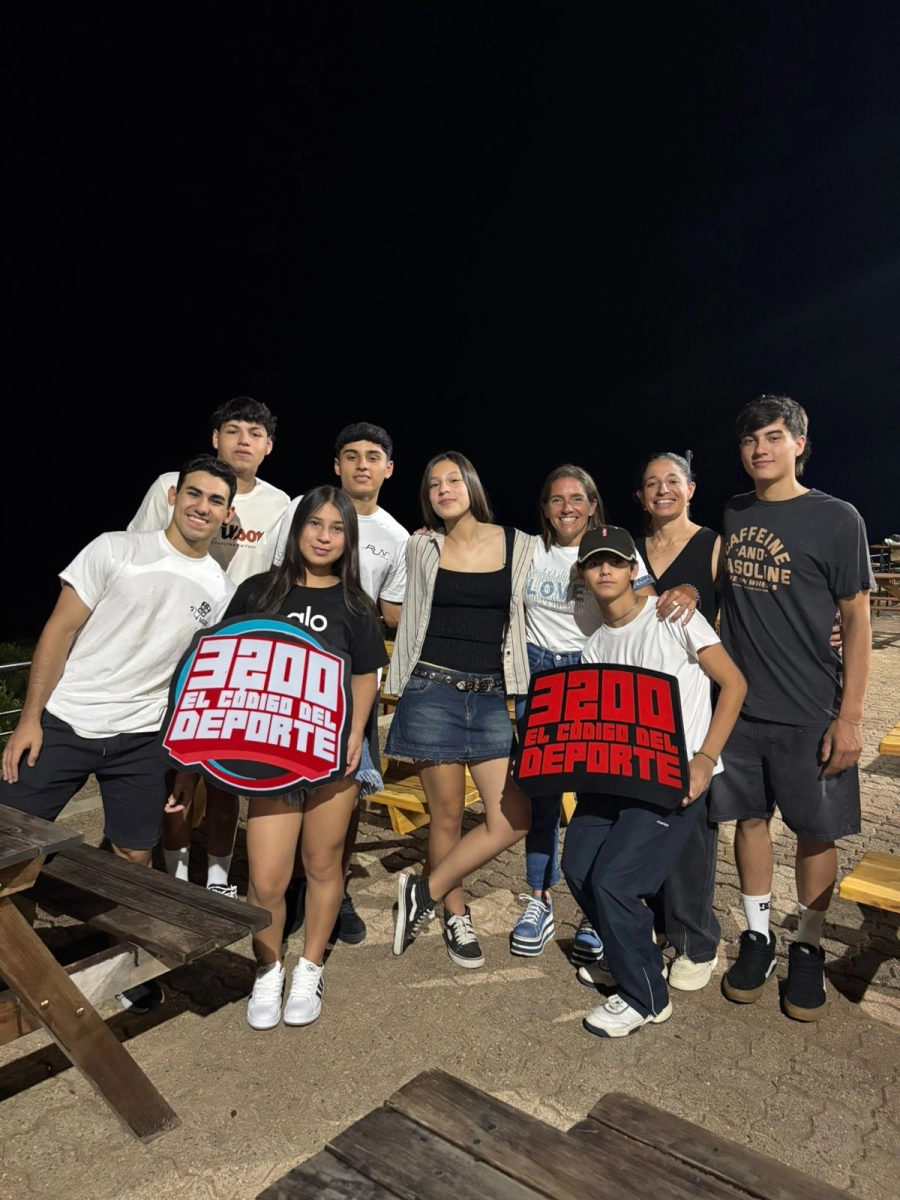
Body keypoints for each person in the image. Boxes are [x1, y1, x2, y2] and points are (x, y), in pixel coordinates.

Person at [2, 455, 237, 1011]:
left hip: (142, 737)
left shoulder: (220, 589)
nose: (203, 507)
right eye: (195, 495)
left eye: (216, 501)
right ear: (174, 496)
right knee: (10, 842)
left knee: (134, 852)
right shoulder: (115, 548)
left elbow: (195, 684)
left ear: (229, 514)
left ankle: (120, 959)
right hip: (65, 719)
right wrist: (28, 718)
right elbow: (59, 630)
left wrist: (185, 762)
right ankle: (15, 955)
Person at [710, 395, 872, 1021]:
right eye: (751, 441)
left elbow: (856, 618)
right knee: (749, 823)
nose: (761, 450)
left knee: (815, 831)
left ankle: (806, 944)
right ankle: (758, 937)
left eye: (774, 438)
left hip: (812, 709)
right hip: (743, 709)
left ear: (799, 443)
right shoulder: (734, 511)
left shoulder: (838, 519)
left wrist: (851, 714)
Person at [562, 526, 746, 1038]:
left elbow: (734, 684)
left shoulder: (674, 618)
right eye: (595, 563)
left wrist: (706, 759)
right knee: (576, 866)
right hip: (615, 777)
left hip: (674, 777)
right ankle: (628, 956)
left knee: (616, 880)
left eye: (615, 562)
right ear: (583, 574)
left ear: (631, 569)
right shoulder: (594, 645)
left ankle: (645, 996)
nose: (605, 571)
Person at [220, 486, 387, 1030]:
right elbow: (222, 660)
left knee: (322, 864)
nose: (324, 536)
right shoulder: (258, 591)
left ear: (348, 539)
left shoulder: (356, 605)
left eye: (336, 529)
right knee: (267, 877)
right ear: (295, 530)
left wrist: (356, 733)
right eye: (314, 524)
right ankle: (267, 969)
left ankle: (310, 964)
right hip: (269, 756)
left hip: (333, 754)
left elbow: (366, 672)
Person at [128, 397, 290, 899]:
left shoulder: (281, 503)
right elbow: (138, 552)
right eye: (233, 429)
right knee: (172, 769)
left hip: (239, 658)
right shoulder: (171, 486)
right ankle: (175, 873)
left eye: (255, 433)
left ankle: (219, 877)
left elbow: (282, 577)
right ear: (214, 437)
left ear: (268, 447)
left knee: (226, 776)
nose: (244, 439)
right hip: (171, 649)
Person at [387, 452, 534, 969]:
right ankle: (454, 911)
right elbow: (385, 591)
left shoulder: (518, 544)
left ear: (472, 484)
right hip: (431, 690)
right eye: (433, 484)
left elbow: (564, 585)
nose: (443, 489)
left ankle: (421, 893)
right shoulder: (421, 545)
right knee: (446, 816)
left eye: (453, 480)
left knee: (512, 817)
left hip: (492, 695)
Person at [509, 465, 661, 961]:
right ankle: (539, 898)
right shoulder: (528, 549)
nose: (566, 507)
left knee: (598, 796)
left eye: (577, 498)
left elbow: (650, 603)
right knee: (542, 795)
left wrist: (690, 592)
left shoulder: (615, 548)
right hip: (537, 673)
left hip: (592, 671)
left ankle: (596, 907)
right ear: (545, 508)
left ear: (593, 504)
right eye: (556, 499)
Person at [274, 423, 409, 944]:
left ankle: (334, 886)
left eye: (373, 456)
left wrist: (434, 563)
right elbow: (272, 583)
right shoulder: (301, 511)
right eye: (351, 455)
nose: (361, 465)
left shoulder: (398, 538)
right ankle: (287, 883)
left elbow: (392, 614)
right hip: (288, 681)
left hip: (353, 683)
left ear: (388, 469)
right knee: (282, 784)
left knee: (348, 791)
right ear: (336, 464)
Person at [634, 452, 722, 992]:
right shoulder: (631, 549)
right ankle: (653, 926)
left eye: (673, 481)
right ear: (641, 497)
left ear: (691, 488)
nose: (663, 490)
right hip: (636, 711)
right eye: (651, 484)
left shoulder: (713, 547)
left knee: (691, 825)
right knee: (643, 820)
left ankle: (696, 939)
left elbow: (750, 611)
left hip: (693, 708)